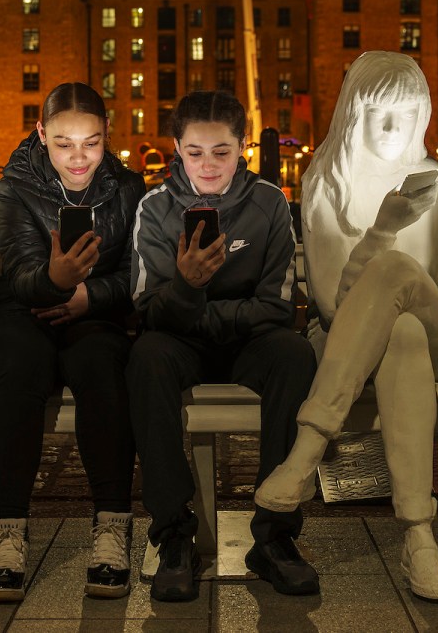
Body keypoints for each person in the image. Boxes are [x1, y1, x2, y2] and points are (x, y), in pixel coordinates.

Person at [254, 51, 438, 600]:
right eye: (380, 115)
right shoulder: (325, 182)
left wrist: (382, 239)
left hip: (436, 332)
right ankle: (420, 537)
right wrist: (383, 228)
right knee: (401, 333)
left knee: (397, 279)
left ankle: (308, 448)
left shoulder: (431, 178)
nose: (394, 129)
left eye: (407, 115)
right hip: (365, 340)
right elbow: (330, 306)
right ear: (352, 114)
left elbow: (425, 286)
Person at [127, 90, 319, 602]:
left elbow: (278, 305)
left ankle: (275, 534)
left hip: (247, 342)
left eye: (221, 151)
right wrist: (187, 286)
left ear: (242, 149)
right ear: (176, 148)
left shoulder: (268, 202)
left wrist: (195, 307)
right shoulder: (156, 208)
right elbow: (147, 310)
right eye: (195, 152)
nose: (208, 165)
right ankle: (173, 534)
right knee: (147, 358)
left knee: (295, 355)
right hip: (179, 344)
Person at [0, 82, 145, 601]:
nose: (78, 156)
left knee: (99, 361)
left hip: (96, 316)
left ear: (106, 136)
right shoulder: (15, 187)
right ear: (42, 133)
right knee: (24, 367)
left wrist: (90, 295)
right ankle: (8, 532)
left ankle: (113, 527)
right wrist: (55, 276)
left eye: (91, 142)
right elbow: (23, 275)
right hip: (23, 317)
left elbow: (139, 273)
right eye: (65, 141)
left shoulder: (129, 187)